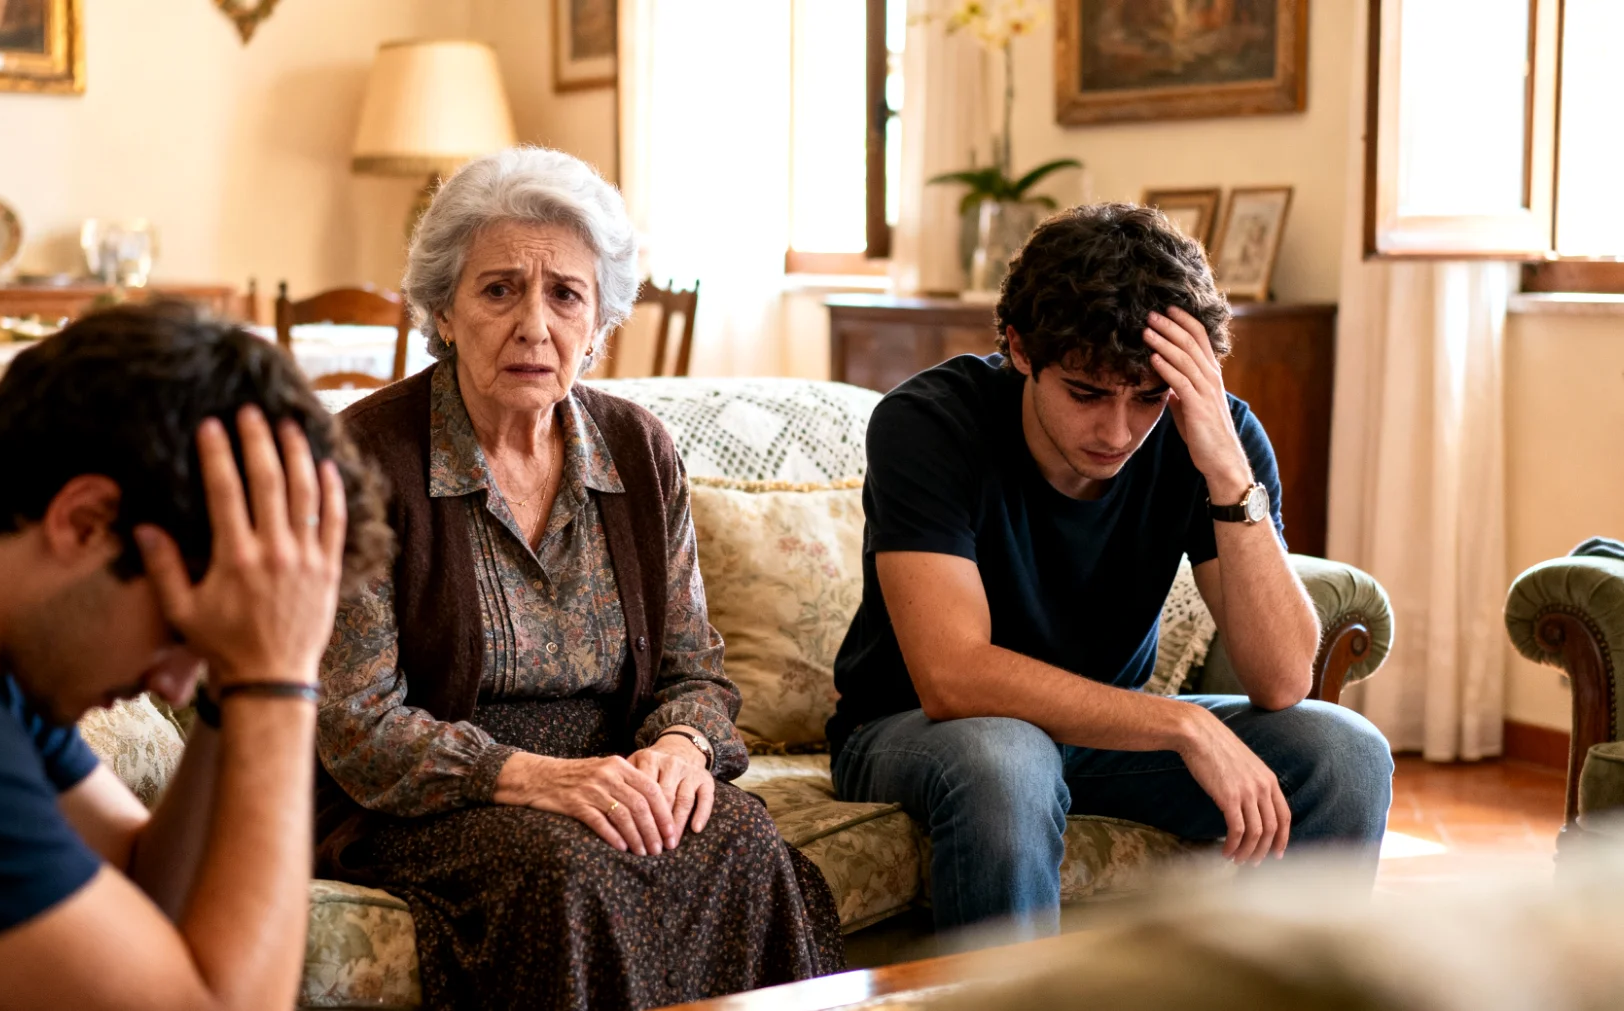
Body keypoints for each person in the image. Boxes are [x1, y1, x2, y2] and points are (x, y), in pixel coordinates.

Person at [315, 146, 843, 1009]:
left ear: (598, 324)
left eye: (565, 293)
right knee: (563, 866)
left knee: (742, 834)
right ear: (443, 312)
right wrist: (534, 776)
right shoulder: (365, 459)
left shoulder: (639, 450)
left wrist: (680, 747)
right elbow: (359, 725)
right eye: (498, 290)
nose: (534, 324)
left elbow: (693, 669)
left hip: (617, 772)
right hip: (432, 796)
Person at [828, 203, 1394, 936]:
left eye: (1148, 399)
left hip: (1101, 737)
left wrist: (1226, 468)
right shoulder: (932, 422)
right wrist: (1183, 724)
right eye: (1087, 394)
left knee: (1347, 754)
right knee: (1008, 753)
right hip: (917, 729)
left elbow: (1283, 677)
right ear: (1021, 349)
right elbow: (954, 675)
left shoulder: (1211, 436)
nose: (1118, 431)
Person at [0, 301, 390, 1011]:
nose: (175, 682)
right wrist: (274, 681)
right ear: (84, 520)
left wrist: (228, 684)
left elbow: (136, 881)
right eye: (179, 632)